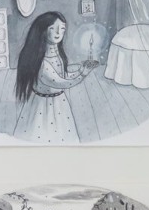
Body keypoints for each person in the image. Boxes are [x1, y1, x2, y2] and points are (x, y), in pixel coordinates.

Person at [14, 11, 92, 144]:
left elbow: (63, 76)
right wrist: (83, 74)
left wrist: (80, 70)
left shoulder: (58, 55)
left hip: (59, 102)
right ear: (42, 30)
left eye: (62, 29)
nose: (58, 33)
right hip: (43, 105)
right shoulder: (41, 62)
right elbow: (61, 82)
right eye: (52, 28)